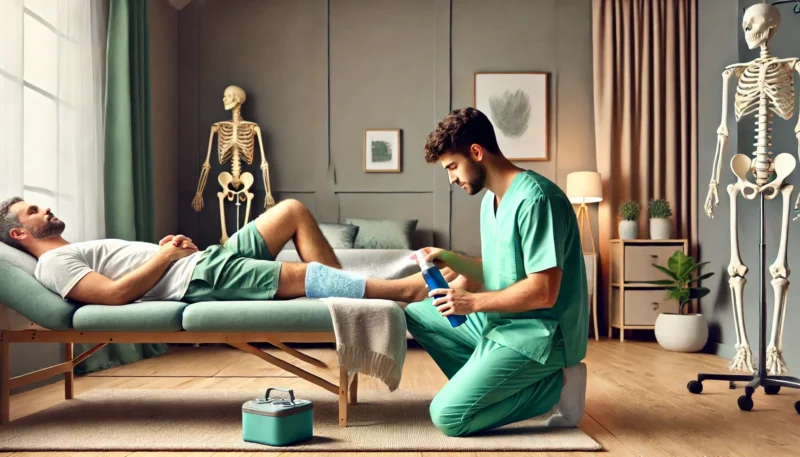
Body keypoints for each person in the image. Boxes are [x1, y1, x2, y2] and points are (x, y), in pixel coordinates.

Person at [407, 107, 589, 437]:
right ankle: (494, 384)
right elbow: (497, 271)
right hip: (504, 324)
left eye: (452, 167)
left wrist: (472, 303)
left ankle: (556, 383)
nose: (451, 178)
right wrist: (446, 256)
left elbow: (543, 292)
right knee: (419, 314)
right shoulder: (489, 201)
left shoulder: (537, 200)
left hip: (541, 335)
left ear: (476, 153)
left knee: (447, 416)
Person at [0, 197, 442, 307]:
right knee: (304, 276)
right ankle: (405, 291)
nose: (45, 209)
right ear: (20, 234)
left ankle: (342, 294)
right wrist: (167, 258)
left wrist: (169, 247)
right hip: (199, 278)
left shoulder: (71, 248)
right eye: (34, 211)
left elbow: (136, 269)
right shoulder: (54, 264)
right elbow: (114, 295)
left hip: (204, 260)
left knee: (291, 210)